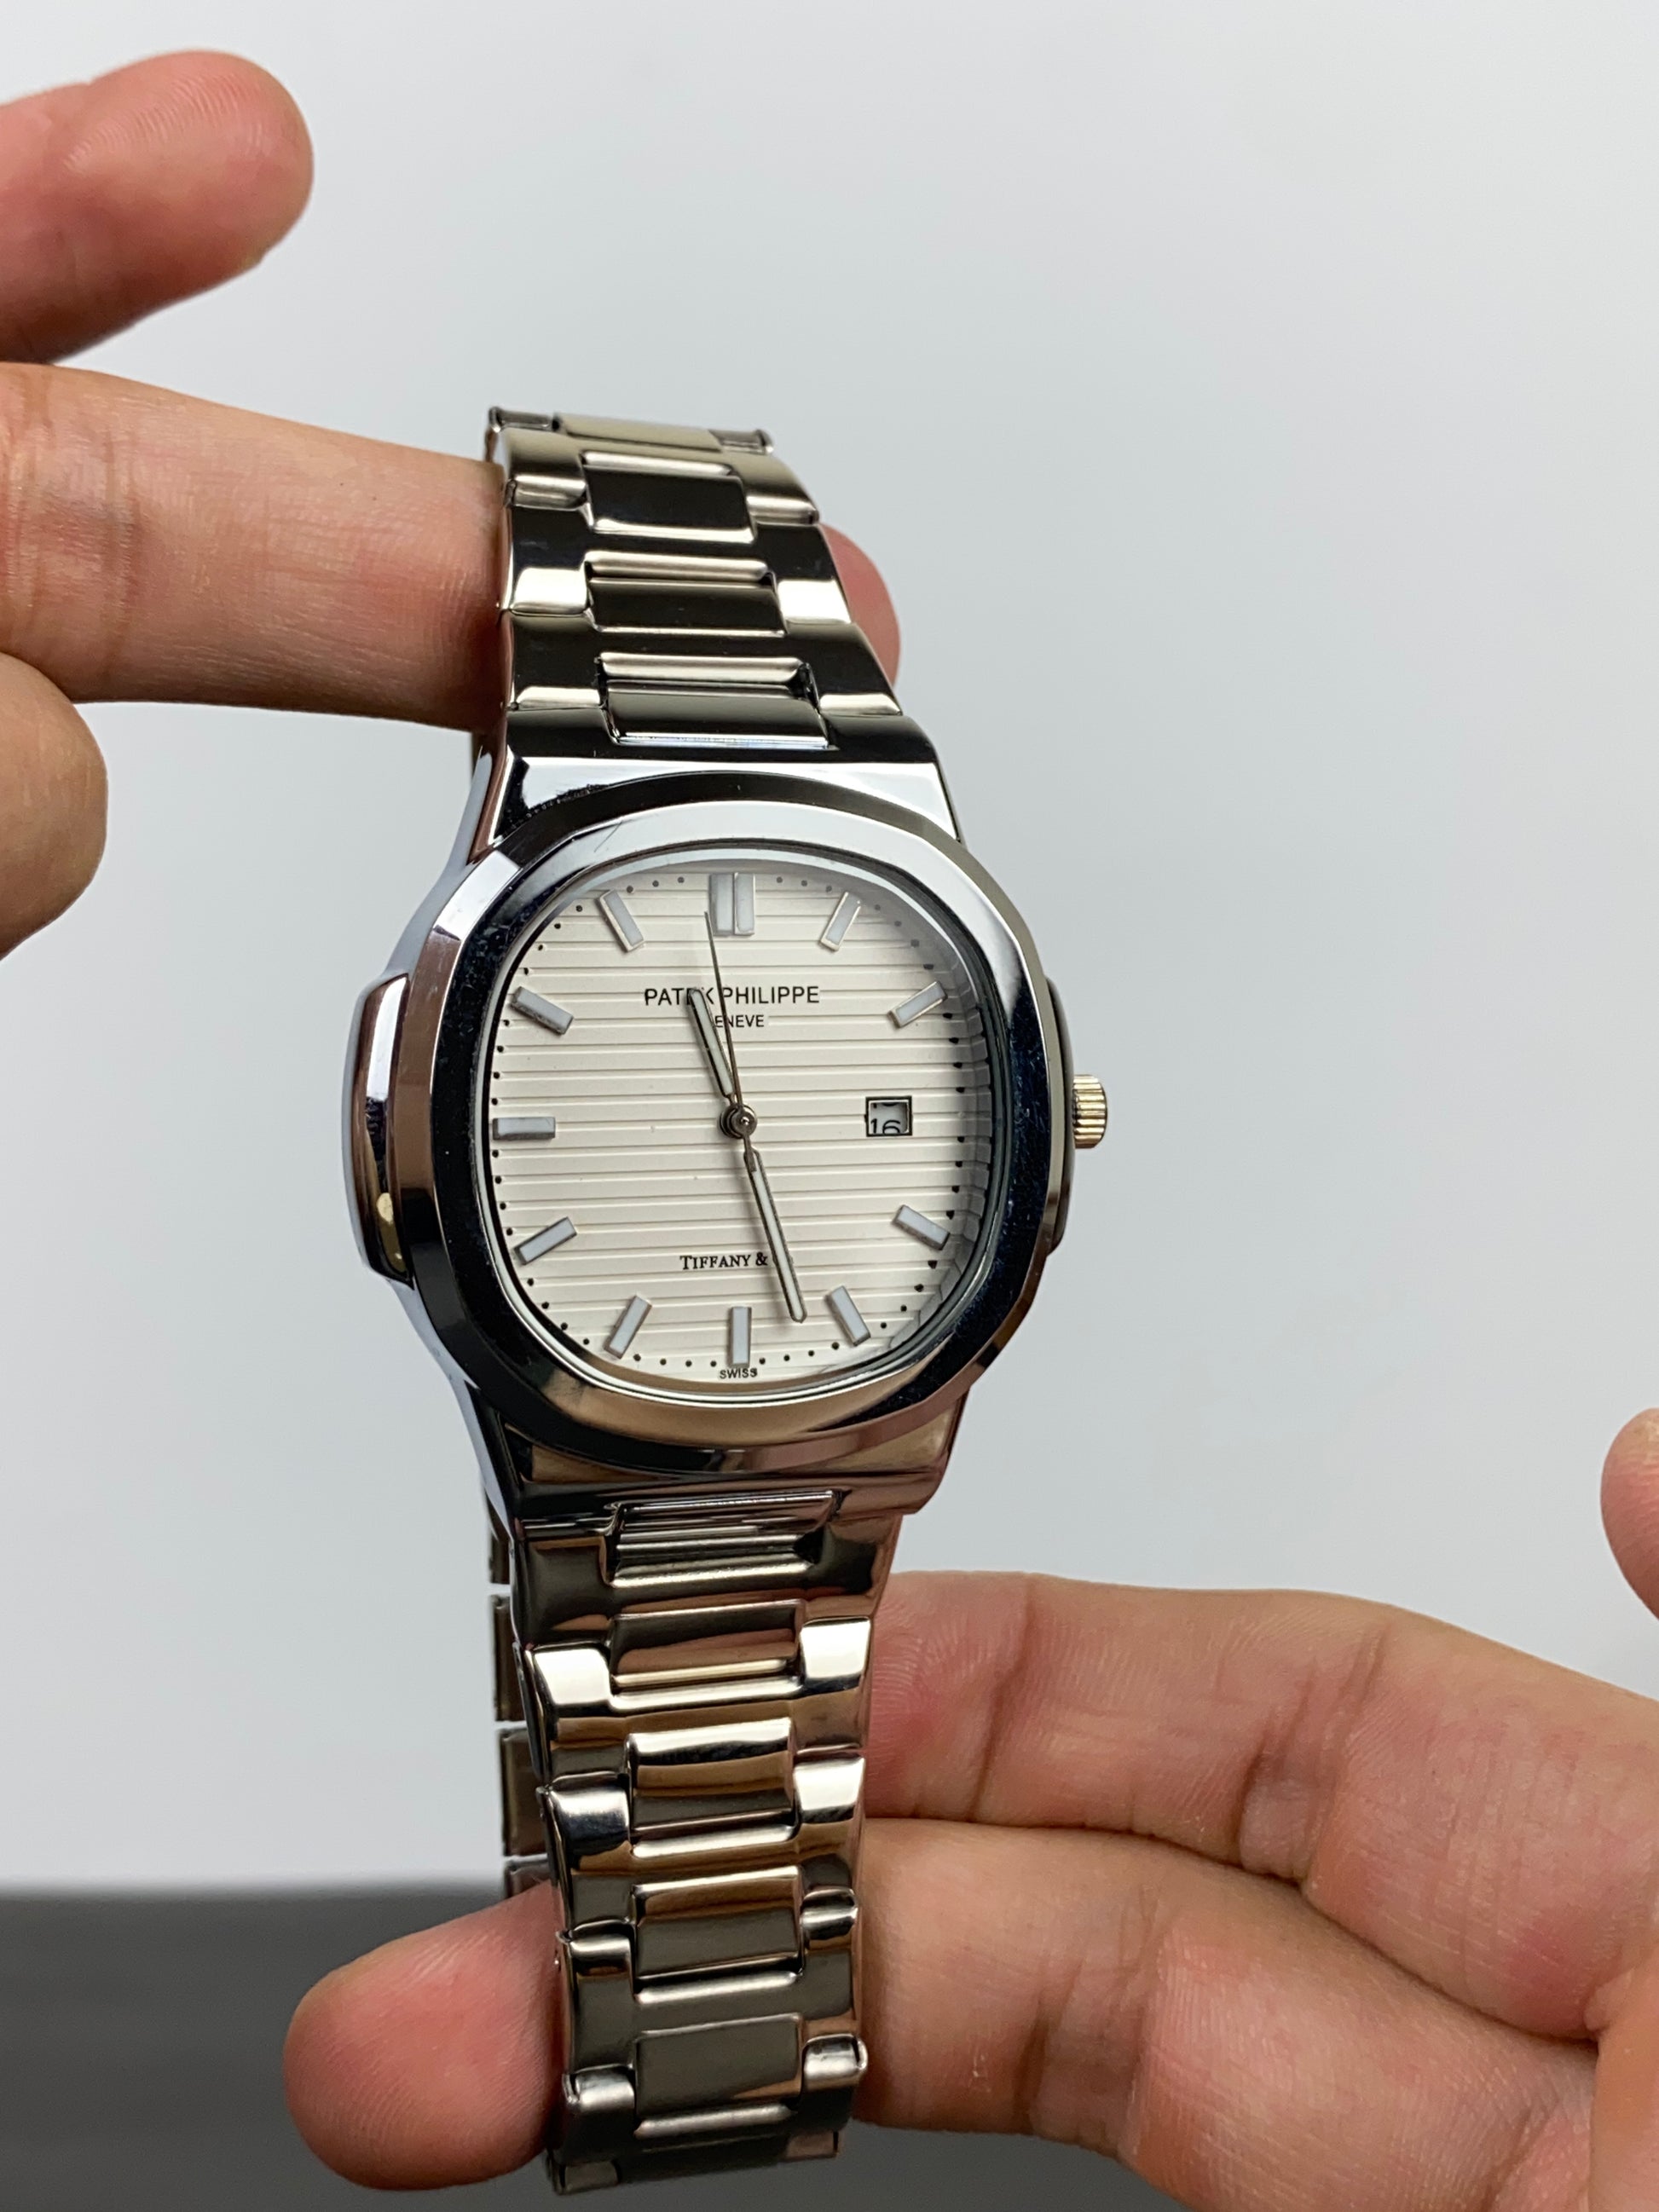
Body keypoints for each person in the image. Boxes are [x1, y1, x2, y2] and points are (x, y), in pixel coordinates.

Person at [4, 50, 1658, 2212]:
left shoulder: (888, 955)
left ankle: (687, 2038)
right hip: (628, 1398)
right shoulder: (548, 880)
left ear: (1033, 1129)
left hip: (841, 1393)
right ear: (404, 1131)